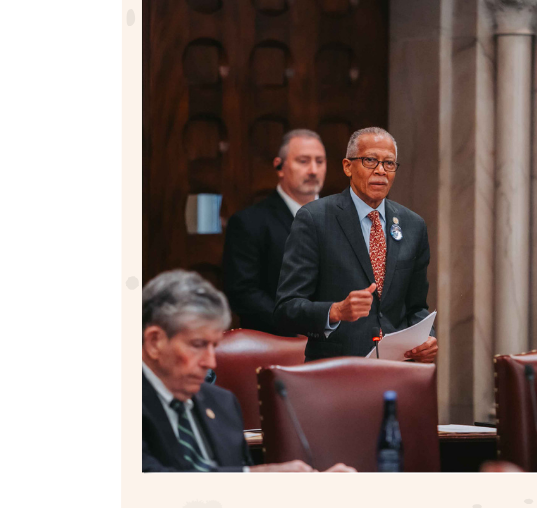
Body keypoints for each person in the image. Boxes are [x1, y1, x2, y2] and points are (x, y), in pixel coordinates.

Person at [141, 269, 354, 472]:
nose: (210, 362)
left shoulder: (222, 404)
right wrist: (256, 477)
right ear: (154, 342)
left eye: (213, 346)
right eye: (197, 345)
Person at [273, 127, 438, 364]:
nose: (381, 170)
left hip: (399, 368)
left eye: (389, 163)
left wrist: (428, 338)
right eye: (370, 160)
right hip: (337, 370)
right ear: (348, 166)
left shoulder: (413, 225)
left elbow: (416, 308)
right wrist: (336, 311)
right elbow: (286, 309)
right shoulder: (315, 219)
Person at [221, 129, 327, 332]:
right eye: (303, 161)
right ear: (279, 167)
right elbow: (243, 293)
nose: (313, 170)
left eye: (320, 161)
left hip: (340, 345)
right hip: (277, 343)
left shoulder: (342, 217)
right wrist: (300, 325)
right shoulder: (249, 222)